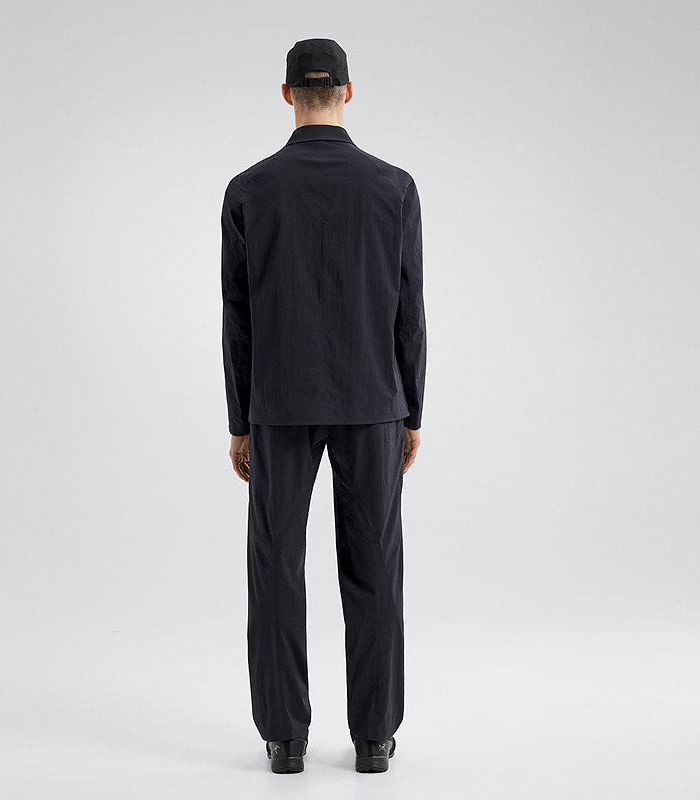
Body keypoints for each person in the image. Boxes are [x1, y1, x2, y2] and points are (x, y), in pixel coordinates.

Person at [220, 37, 427, 774]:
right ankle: (374, 738)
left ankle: (283, 738)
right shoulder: (393, 187)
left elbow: (238, 315)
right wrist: (412, 410)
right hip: (374, 400)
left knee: (276, 565)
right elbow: (409, 310)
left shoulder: (249, 190)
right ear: (348, 91)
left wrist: (239, 421)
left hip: (278, 404)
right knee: (374, 565)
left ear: (286, 94)